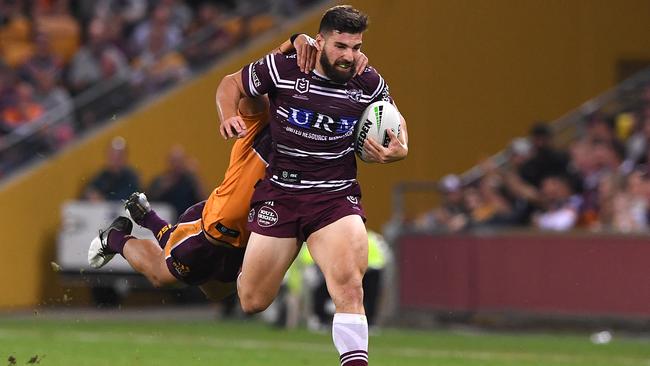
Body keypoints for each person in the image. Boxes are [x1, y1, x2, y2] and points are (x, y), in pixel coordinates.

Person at [87, 33, 369, 301]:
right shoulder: (264, 119)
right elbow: (250, 81)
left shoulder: (322, 145)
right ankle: (116, 237)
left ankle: (153, 221)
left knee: (217, 292)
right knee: (162, 274)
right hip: (214, 230)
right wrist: (290, 43)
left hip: (253, 236)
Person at [216, 6, 408, 366]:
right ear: (320, 42)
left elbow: (394, 120)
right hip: (282, 194)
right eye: (341, 46)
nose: (349, 56)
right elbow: (231, 84)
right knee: (252, 300)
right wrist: (228, 114)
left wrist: (401, 149)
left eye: (355, 47)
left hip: (334, 197)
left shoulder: (367, 81)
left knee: (349, 286)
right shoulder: (287, 69)